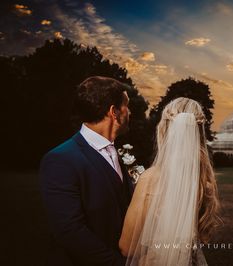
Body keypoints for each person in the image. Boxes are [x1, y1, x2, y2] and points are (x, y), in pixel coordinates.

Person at [39, 76, 135, 266]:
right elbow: (70, 231)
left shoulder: (118, 153)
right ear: (114, 112)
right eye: (127, 106)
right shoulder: (61, 159)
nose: (130, 112)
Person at [119, 97, 222, 266]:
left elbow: (127, 247)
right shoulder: (204, 182)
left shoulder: (150, 179)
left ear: (164, 130)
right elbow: (201, 237)